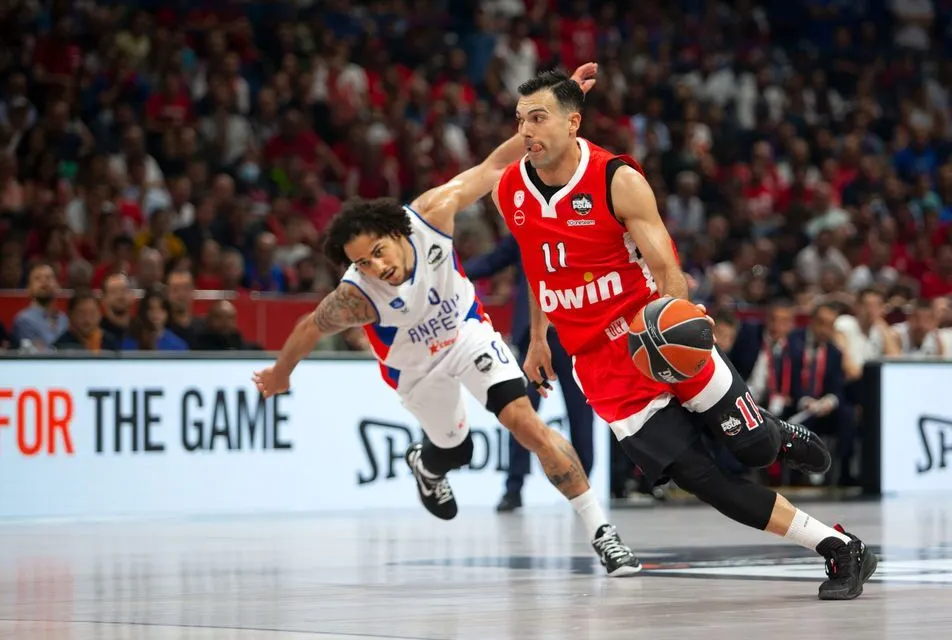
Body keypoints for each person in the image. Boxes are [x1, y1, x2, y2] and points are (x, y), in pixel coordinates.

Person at [493, 69, 877, 600]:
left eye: (538, 118)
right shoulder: (509, 189)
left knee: (752, 449)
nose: (526, 130)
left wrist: (680, 315)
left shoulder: (615, 178)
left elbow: (666, 266)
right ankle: (840, 547)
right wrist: (539, 338)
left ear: (573, 123)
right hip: (601, 367)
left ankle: (775, 433)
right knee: (705, 480)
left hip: (655, 331)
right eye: (520, 120)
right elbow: (538, 266)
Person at [252, 63, 641, 578]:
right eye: (361, 262)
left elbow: (495, 163)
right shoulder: (357, 296)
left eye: (377, 252)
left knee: (526, 424)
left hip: (466, 335)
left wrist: (555, 107)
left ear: (396, 231)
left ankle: (602, 533)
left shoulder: (432, 214)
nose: (375, 267)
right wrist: (281, 373)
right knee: (457, 450)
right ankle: (429, 463)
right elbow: (309, 327)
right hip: (415, 371)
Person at [464, 233, 595, 512]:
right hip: (535, 340)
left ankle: (584, 489)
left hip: (573, 337)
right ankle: (514, 488)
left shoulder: (581, 227)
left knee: (580, 415)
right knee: (521, 413)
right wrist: (451, 273)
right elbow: (492, 261)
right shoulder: (525, 227)